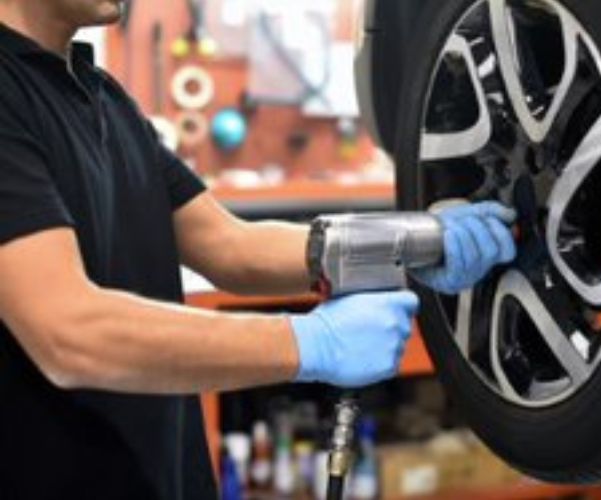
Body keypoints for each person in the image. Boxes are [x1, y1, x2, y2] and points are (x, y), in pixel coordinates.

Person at [0, 1, 517, 499]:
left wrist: (414, 244)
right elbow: (68, 332)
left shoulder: (102, 97)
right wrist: (309, 344)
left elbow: (229, 246)